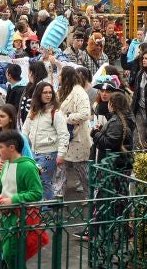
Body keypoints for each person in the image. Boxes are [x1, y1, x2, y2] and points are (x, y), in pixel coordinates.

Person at [0, 131, 43, 269]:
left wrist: (13, 199)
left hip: (20, 218)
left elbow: (37, 193)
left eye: (1, 147)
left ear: (12, 148)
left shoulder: (28, 167)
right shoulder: (6, 165)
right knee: (9, 254)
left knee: (13, 254)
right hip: (6, 217)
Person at [21, 82, 68, 201]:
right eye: (45, 92)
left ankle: (46, 206)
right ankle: (43, 205)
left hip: (49, 153)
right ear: (38, 94)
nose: (48, 95)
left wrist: (61, 154)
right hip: (33, 152)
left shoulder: (55, 113)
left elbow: (64, 134)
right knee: (36, 180)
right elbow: (25, 130)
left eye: (50, 92)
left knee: (43, 180)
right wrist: (22, 149)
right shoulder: (33, 110)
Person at [55, 66, 91, 197]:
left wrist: (65, 118)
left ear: (66, 77)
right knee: (61, 167)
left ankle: (90, 195)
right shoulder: (62, 90)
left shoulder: (79, 92)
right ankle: (58, 195)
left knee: (82, 170)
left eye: (60, 75)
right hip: (64, 138)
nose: (58, 77)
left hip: (77, 137)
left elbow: (85, 114)